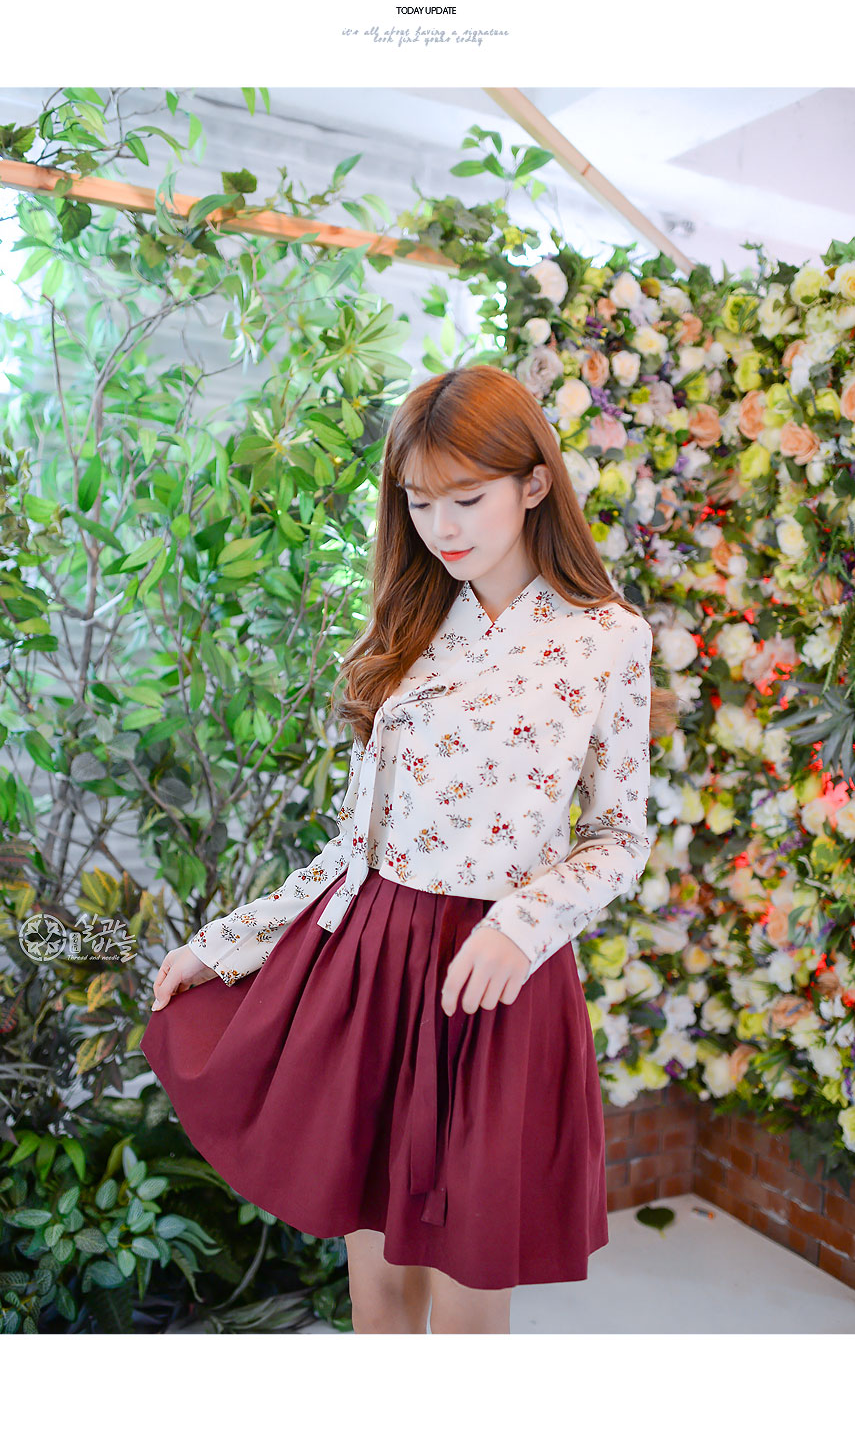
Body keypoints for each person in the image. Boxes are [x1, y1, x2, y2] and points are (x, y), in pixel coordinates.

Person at [143, 359, 653, 1336]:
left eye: (466, 497)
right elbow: (353, 848)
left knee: (468, 1301)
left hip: (495, 980)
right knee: (376, 1286)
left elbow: (616, 836)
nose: (441, 527)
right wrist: (231, 941)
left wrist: (520, 925)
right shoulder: (411, 625)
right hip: (375, 961)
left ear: (533, 484)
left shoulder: (607, 639)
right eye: (419, 502)